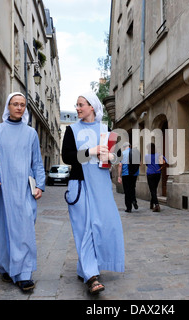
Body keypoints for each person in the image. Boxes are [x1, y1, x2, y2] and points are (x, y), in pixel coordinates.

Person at [0, 92, 45, 293]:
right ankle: (6, 267)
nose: (19, 107)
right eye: (15, 104)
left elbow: (37, 161)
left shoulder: (31, 133)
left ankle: (24, 274)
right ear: (8, 107)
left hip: (24, 189)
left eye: (22, 105)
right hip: (2, 188)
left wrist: (39, 185)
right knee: (1, 229)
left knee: (24, 228)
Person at [62, 91, 125, 295]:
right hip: (79, 185)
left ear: (92, 107)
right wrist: (92, 151)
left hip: (100, 187)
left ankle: (86, 268)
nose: (78, 108)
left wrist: (110, 156)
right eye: (77, 105)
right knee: (84, 230)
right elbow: (67, 157)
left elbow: (115, 158)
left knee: (100, 226)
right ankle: (91, 276)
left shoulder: (105, 130)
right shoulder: (72, 130)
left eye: (81, 104)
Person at [117, 142, 140, 213]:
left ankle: (128, 208)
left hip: (125, 174)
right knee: (132, 188)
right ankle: (134, 200)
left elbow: (120, 165)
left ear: (124, 147)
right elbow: (139, 163)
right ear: (130, 146)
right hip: (134, 174)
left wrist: (119, 176)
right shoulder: (135, 153)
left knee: (127, 191)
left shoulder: (122, 154)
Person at [144, 143, 166, 212]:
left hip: (150, 173)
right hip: (157, 173)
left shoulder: (147, 156)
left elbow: (147, 164)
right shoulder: (159, 155)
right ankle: (151, 203)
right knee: (154, 189)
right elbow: (165, 162)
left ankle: (156, 205)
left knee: (152, 190)